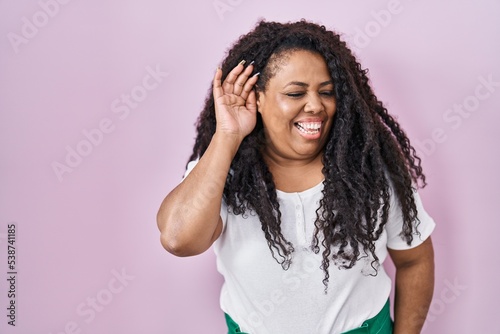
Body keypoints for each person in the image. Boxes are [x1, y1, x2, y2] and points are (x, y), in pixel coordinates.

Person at [157, 19, 435, 334]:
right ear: (256, 97)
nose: (316, 105)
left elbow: (415, 261)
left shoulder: (368, 171)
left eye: (327, 92)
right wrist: (227, 135)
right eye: (295, 93)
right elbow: (178, 239)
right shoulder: (223, 172)